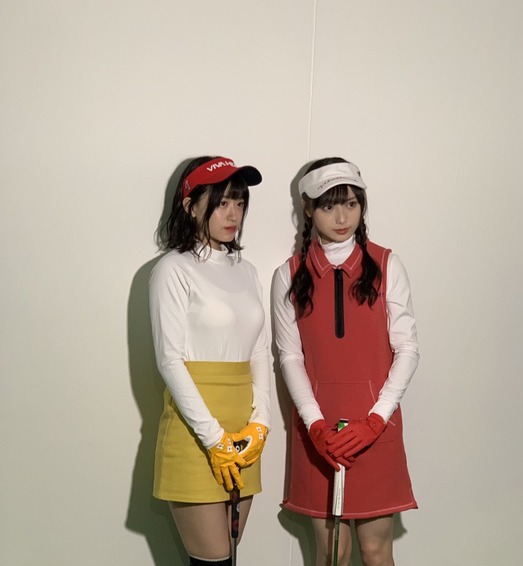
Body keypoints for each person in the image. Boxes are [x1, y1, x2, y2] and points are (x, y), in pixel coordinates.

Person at [273, 157, 419, 566]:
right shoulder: (289, 274)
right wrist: (315, 425)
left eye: (351, 204)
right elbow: (290, 356)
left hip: (376, 427)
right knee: (332, 553)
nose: (342, 217)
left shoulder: (387, 264)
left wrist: (375, 420)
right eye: (328, 206)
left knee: (376, 551)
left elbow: (407, 349)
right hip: (317, 434)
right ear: (308, 209)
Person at [149, 156, 271, 566]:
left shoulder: (247, 271)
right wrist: (214, 439)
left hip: (243, 430)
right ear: (190, 206)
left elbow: (259, 350)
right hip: (195, 430)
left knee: (230, 557)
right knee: (213, 560)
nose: (233, 213)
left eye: (239, 201)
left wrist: (262, 422)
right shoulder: (173, 269)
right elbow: (170, 360)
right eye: (220, 202)